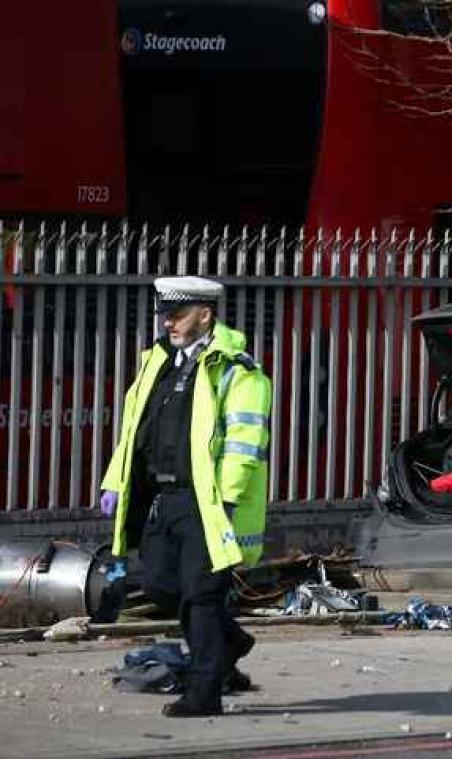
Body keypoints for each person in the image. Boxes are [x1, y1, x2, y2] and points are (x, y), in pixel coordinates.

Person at [99, 276, 272, 717]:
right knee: (159, 583)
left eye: (177, 314)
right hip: (164, 497)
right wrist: (116, 482)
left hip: (206, 502)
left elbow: (244, 442)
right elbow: (135, 430)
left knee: (201, 597)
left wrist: (228, 500)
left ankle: (205, 691)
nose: (168, 323)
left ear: (205, 314)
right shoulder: (159, 364)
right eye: (165, 314)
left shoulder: (236, 370)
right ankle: (228, 641)